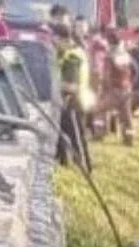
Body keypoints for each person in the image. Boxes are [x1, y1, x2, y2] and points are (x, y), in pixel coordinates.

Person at [53, 24, 94, 172]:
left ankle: (85, 167)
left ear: (61, 39)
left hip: (73, 102)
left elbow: (71, 86)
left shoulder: (72, 57)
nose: (53, 44)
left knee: (76, 137)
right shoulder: (69, 52)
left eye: (55, 40)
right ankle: (62, 163)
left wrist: (52, 85)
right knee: (59, 134)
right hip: (68, 102)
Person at [100, 31, 135, 145]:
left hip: (114, 89)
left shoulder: (109, 56)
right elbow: (135, 69)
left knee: (99, 109)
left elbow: (106, 75)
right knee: (127, 116)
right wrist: (131, 83)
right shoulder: (126, 54)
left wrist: (106, 88)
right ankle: (129, 139)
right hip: (126, 89)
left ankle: (99, 133)